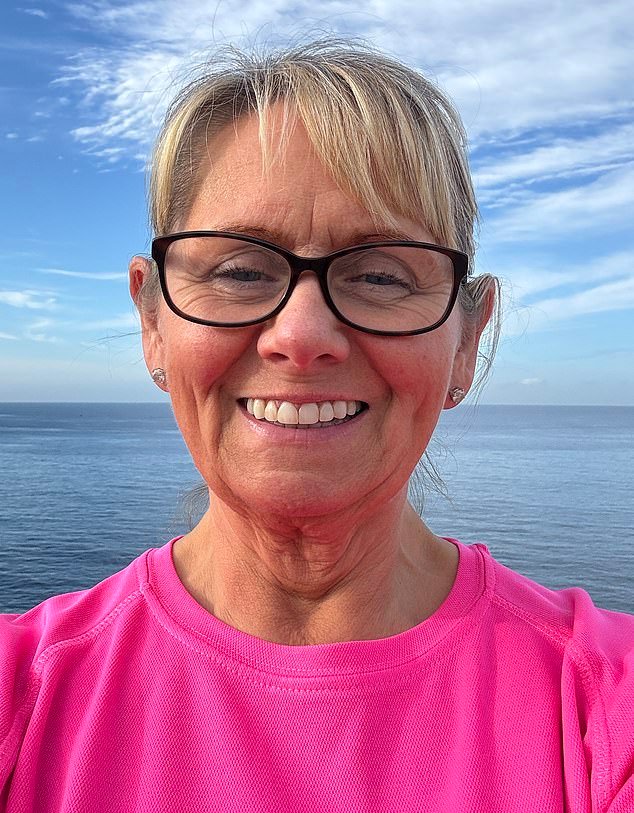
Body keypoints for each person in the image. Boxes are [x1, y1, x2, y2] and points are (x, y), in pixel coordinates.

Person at [1, 39, 632, 813]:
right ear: (153, 322)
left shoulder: (603, 708)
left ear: (466, 341)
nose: (301, 335)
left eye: (380, 275)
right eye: (239, 270)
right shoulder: (20, 696)